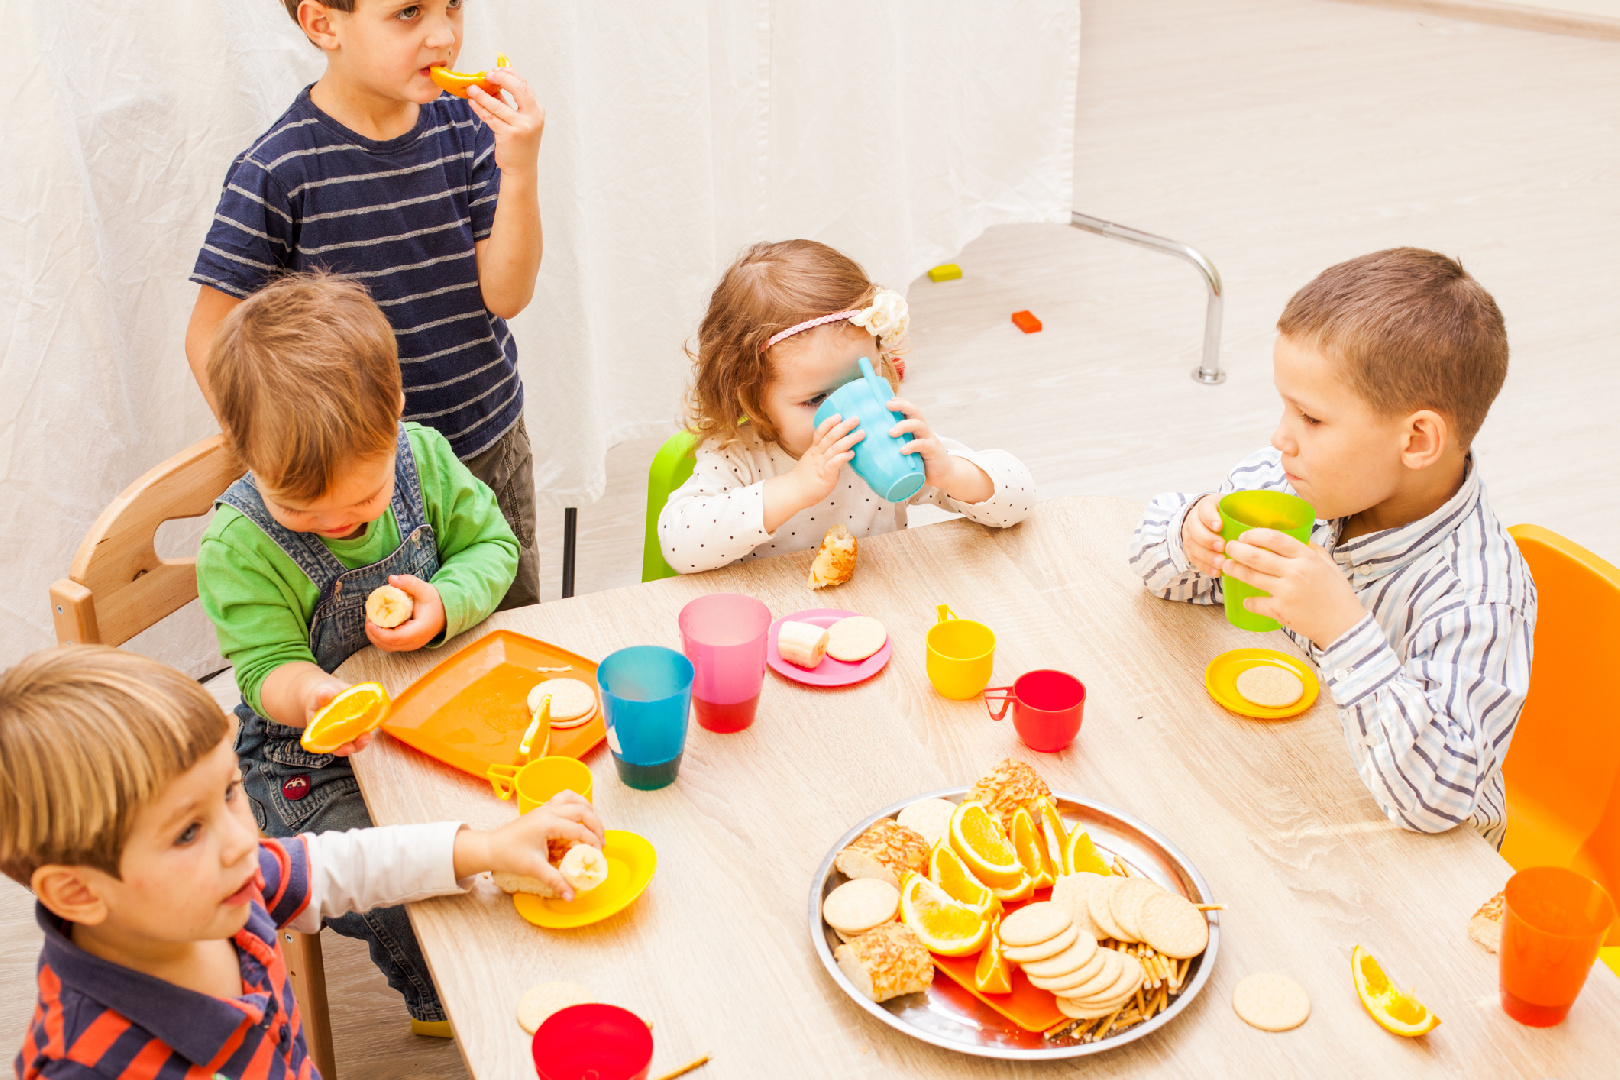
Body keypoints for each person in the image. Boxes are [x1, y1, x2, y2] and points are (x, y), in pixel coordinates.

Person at [3, 645, 603, 1079]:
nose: (242, 840)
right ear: (78, 893)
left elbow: (346, 865)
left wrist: (488, 847)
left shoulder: (226, 886)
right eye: (187, 832)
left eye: (232, 792)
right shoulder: (88, 1063)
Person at [196, 272, 520, 1033]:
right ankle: (439, 998)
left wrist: (443, 601)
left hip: (431, 697)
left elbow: (492, 547)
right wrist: (313, 696)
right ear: (243, 455)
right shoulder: (237, 545)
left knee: (524, 802)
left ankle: (505, 955)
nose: (340, 524)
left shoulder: (426, 460)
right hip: (303, 763)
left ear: (395, 416)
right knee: (392, 877)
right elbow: (264, 667)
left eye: (365, 502)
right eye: (304, 511)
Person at [1127, 248, 1535, 847]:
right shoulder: (1293, 481)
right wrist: (1193, 534)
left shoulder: (1479, 598)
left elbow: (1439, 799)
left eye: (1311, 419)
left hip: (1411, 857)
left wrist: (1344, 630)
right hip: (1291, 782)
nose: (1280, 437)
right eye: (1285, 406)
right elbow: (1152, 566)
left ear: (1418, 439)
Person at [185, 0, 544, 608]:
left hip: (485, 446)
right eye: (408, 13)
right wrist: (283, 456)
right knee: (384, 652)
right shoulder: (277, 170)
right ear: (324, 25)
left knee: (506, 640)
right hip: (355, 483)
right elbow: (210, 336)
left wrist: (521, 171)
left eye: (452, 6)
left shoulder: (467, 127)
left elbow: (506, 295)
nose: (443, 35)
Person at [659, 240, 1036, 572]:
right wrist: (796, 487)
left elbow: (1019, 501)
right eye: (819, 399)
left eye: (864, 381)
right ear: (752, 399)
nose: (851, 413)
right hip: (776, 623)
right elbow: (679, 545)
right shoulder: (740, 456)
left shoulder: (892, 438)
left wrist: (951, 472)